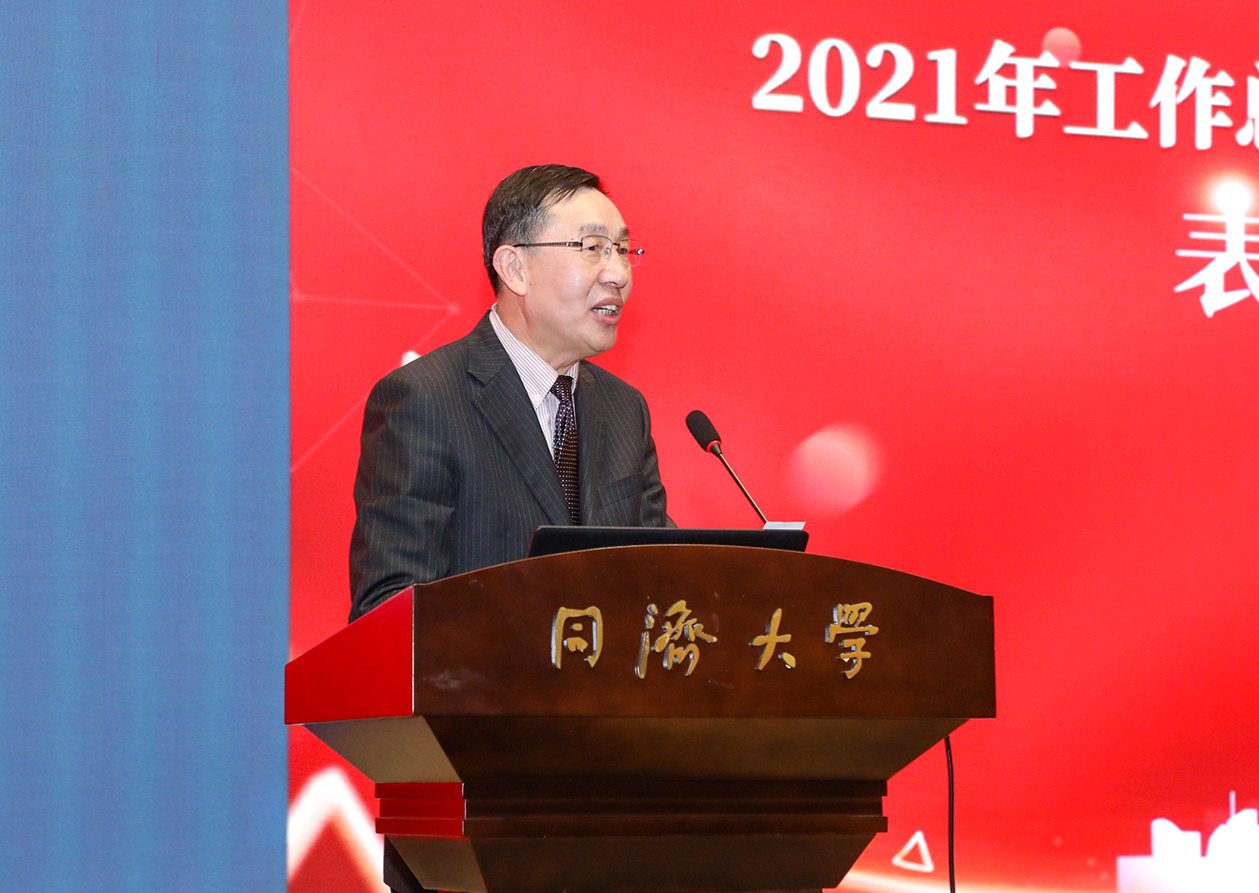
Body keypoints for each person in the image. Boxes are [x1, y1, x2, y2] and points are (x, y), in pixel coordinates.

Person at [349, 164, 671, 621]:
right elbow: (389, 608)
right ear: (515, 268)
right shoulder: (424, 400)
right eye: (593, 248)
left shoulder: (624, 408)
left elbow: (663, 577)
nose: (618, 273)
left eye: (621, 249)